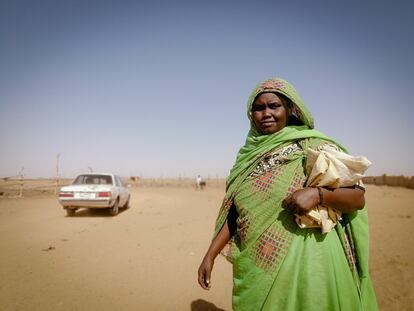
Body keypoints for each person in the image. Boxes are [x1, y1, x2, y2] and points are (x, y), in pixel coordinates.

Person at [197, 78, 378, 310]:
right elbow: (236, 213)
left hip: (310, 266)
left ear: (291, 108)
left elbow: (357, 198)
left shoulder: (311, 145)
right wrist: (210, 255)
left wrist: (318, 195)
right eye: (259, 108)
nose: (266, 113)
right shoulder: (248, 158)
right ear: (250, 114)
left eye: (274, 106)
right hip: (257, 266)